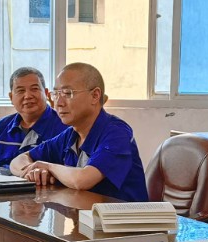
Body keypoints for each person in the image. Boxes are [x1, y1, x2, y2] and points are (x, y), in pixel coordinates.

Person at [11, 61, 149, 202]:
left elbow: (82, 180)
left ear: (95, 95)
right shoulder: (70, 135)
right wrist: (32, 172)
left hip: (124, 215)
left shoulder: (117, 133)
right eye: (56, 94)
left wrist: (47, 167)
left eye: (67, 93)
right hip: (85, 213)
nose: (58, 103)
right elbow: (18, 161)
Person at [0, 66, 65, 171]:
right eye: (21, 90)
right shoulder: (2, 127)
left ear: (46, 93)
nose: (28, 96)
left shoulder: (63, 126)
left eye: (34, 89)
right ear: (11, 97)